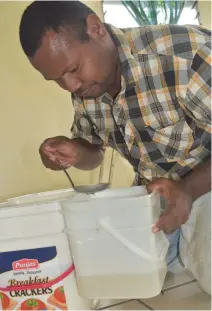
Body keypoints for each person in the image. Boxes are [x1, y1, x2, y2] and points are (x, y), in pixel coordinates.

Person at [19, 1, 211, 269]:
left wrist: (189, 190)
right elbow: (94, 153)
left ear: (96, 29)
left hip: (205, 186)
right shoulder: (87, 87)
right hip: (155, 197)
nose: (70, 86)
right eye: (56, 79)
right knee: (106, 268)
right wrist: (75, 152)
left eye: (73, 70)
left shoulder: (188, 55)